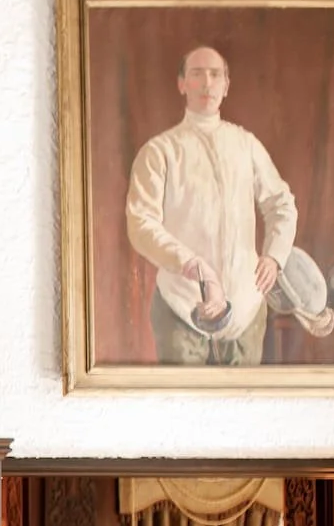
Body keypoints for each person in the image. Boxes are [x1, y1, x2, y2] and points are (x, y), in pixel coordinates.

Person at [124, 45, 300, 366]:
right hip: (182, 311)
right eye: (197, 74)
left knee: (242, 413)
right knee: (184, 412)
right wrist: (194, 266)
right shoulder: (160, 151)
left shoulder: (246, 144)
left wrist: (275, 256)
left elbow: (281, 204)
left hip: (246, 315)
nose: (207, 83)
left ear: (226, 86)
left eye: (215, 75)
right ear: (182, 84)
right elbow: (140, 224)